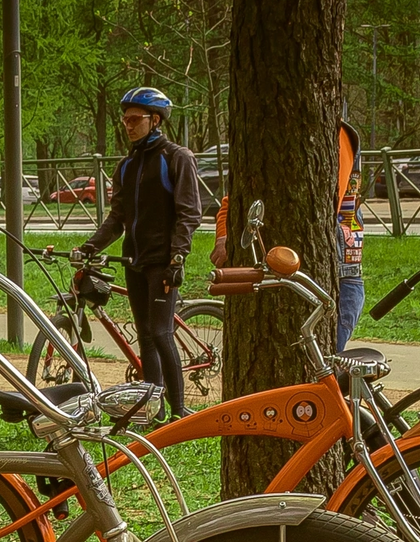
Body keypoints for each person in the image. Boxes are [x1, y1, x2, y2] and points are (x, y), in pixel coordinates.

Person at [71, 87, 201, 418]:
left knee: (160, 333)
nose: (127, 125)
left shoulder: (176, 158)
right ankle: (154, 410)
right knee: (144, 336)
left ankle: (179, 409)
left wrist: (178, 257)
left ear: (155, 120)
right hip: (135, 261)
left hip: (163, 262)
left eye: (134, 119)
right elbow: (118, 217)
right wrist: (90, 246)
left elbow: (189, 213)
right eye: (125, 119)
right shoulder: (127, 165)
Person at [211, 120, 366, 353]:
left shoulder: (334, 135)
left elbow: (322, 204)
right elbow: (231, 202)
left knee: (323, 367)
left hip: (339, 277)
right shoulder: (270, 137)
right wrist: (223, 237)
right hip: (314, 276)